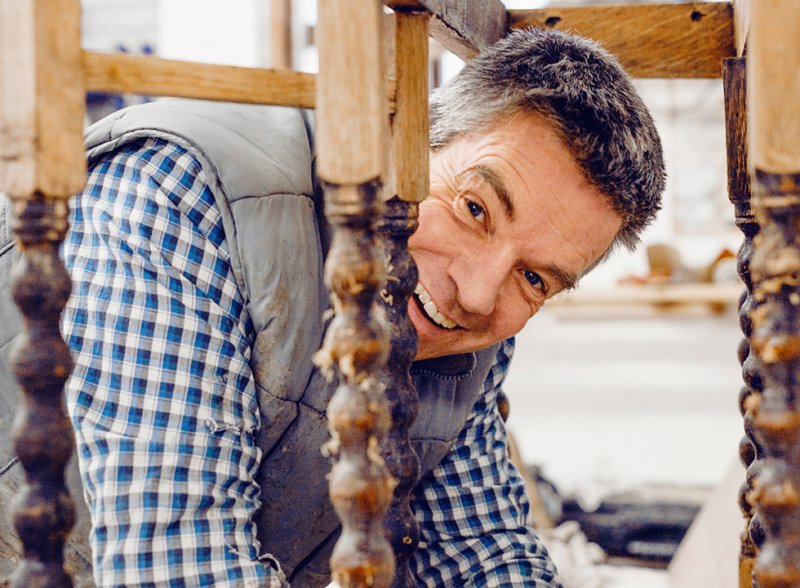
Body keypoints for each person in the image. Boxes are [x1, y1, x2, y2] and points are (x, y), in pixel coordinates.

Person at [0, 28, 664, 586]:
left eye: (535, 278)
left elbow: (480, 551)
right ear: (409, 139)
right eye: (474, 208)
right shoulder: (185, 196)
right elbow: (180, 564)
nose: (478, 293)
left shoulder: (468, 327)